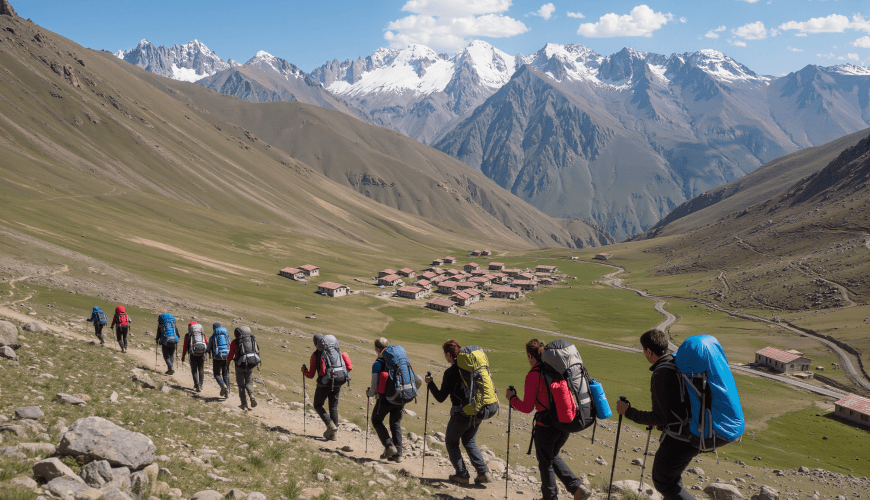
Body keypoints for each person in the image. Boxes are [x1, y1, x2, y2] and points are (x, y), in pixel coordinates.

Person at [616, 329, 694, 500]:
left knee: (663, 482)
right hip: (693, 433)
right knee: (672, 480)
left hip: (678, 439)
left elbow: (660, 417)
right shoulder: (676, 363)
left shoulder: (661, 372)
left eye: (643, 350)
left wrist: (628, 412)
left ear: (648, 351)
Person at [506, 339, 588, 500]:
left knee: (545, 463)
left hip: (545, 426)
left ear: (530, 356)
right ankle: (577, 487)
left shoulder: (533, 375)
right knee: (552, 456)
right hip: (564, 422)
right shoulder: (557, 370)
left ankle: (551, 497)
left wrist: (512, 399)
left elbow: (527, 407)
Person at [425, 340, 492, 485]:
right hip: (479, 409)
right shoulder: (472, 369)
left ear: (449, 355)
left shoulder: (450, 373)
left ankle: (462, 474)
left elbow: (441, 397)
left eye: (445, 355)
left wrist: (430, 383)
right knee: (469, 440)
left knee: (451, 441)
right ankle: (483, 473)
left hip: (461, 413)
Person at [365, 337, 421, 464]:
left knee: (376, 420)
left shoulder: (378, 364)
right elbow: (418, 380)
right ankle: (399, 454)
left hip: (385, 399)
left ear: (376, 349)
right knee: (395, 424)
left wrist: (369, 394)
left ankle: (389, 446)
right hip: (401, 397)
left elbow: (373, 389)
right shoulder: (400, 362)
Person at [302, 334, 353, 440]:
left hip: (324, 384)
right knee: (333, 408)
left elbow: (311, 375)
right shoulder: (337, 352)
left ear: (316, 344)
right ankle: (333, 435)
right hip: (338, 381)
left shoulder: (316, 355)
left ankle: (330, 425)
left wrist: (304, 371)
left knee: (317, 404)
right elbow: (349, 367)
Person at [227, 325, 260, 411]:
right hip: (250, 364)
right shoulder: (252, 340)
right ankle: (252, 396)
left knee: (241, 385)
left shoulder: (235, 342)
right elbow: (257, 351)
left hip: (240, 365)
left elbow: (231, 354)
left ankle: (244, 404)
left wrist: (228, 361)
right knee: (249, 383)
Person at [181, 321, 208, 392]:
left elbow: (185, 347)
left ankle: (196, 384)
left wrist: (183, 356)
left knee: (194, 370)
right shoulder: (202, 334)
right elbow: (206, 343)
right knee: (201, 369)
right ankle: (201, 384)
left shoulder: (187, 335)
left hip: (193, 354)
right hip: (202, 353)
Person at [209, 322, 231, 398]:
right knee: (225, 374)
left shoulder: (213, 337)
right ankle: (227, 391)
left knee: (216, 374)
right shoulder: (226, 336)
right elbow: (229, 344)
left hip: (217, 357)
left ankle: (222, 385)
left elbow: (208, 348)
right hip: (226, 357)